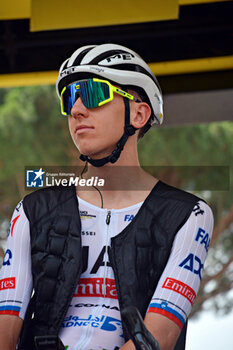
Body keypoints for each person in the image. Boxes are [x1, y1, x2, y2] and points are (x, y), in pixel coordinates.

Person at [0, 44, 214, 350]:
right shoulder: (32, 210)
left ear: (139, 113)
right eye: (69, 98)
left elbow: (159, 339)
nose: (76, 109)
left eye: (93, 93)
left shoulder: (189, 214)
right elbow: (4, 332)